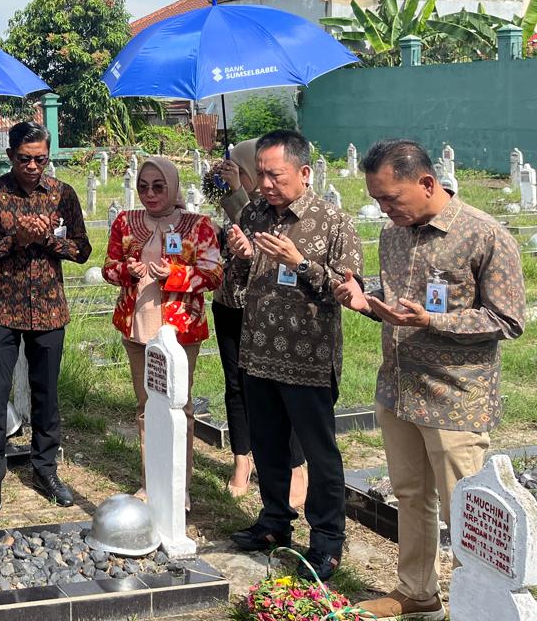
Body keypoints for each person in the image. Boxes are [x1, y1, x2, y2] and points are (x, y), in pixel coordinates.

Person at [336, 140, 525, 621]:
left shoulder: (484, 234)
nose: (384, 209)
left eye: (391, 198)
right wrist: (367, 300)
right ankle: (417, 592)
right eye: (377, 199)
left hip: (454, 397)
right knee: (410, 495)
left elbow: (508, 320)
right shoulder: (393, 236)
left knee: (466, 510)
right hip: (399, 387)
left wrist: (434, 323)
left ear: (426, 183)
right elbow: (402, 303)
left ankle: (475, 604)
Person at [226, 129, 363, 581]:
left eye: (275, 175)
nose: (264, 183)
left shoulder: (333, 222)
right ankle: (274, 523)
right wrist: (243, 257)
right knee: (267, 445)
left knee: (319, 454)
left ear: (304, 173)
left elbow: (349, 290)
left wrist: (299, 262)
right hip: (258, 352)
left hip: (307, 358)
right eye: (260, 174)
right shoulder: (253, 212)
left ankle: (326, 541)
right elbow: (236, 286)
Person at [0, 121, 90, 513]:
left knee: (47, 395)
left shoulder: (62, 195)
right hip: (1, 305)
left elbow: (82, 249)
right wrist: (14, 240)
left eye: (41, 159)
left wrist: (46, 240)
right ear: (9, 156)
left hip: (49, 307)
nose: (33, 166)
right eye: (25, 159)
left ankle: (45, 468)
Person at [103, 155, 222, 504]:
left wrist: (174, 275)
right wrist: (129, 270)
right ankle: (150, 480)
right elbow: (109, 268)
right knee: (145, 406)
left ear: (172, 186)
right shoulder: (126, 222)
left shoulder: (198, 225)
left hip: (180, 328)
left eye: (158, 186)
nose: (150, 194)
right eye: (143, 187)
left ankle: (180, 486)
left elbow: (214, 274)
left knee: (179, 407)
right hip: (137, 326)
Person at [212, 140, 308, 503]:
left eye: (268, 172)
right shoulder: (233, 201)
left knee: (280, 384)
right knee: (236, 384)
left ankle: (296, 465)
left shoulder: (276, 209)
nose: (263, 180)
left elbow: (260, 232)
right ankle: (241, 459)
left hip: (268, 308)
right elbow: (231, 233)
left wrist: (239, 191)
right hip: (230, 303)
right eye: (258, 172)